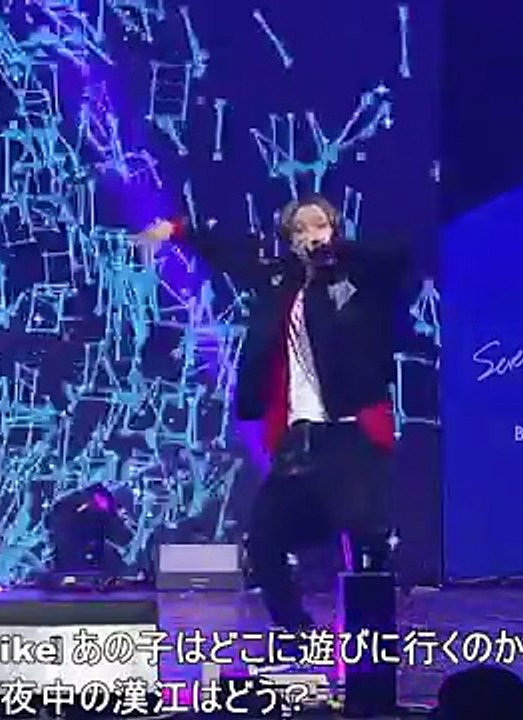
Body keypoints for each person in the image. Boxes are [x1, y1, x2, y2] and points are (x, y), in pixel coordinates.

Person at [138, 195, 408, 636]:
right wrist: (178, 231)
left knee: (367, 542)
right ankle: (297, 635)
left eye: (318, 226)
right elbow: (230, 256)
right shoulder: (281, 282)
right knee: (264, 542)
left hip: (351, 433)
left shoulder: (357, 277)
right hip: (299, 438)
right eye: (299, 230)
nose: (310, 236)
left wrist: (337, 253)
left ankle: (370, 651)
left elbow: (396, 259)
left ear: (335, 229)